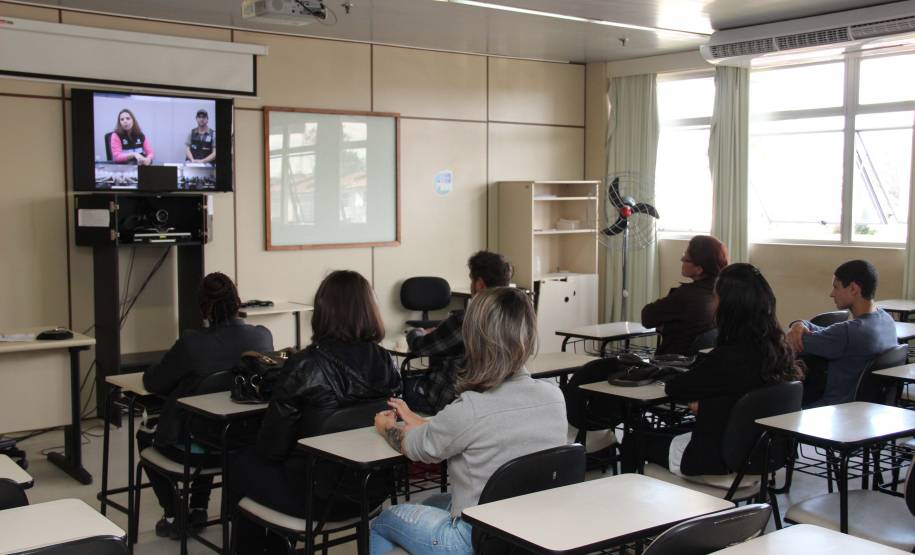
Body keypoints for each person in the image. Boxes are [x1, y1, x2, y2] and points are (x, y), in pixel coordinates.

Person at [370, 287, 567, 555]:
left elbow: (415, 448)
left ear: (474, 341)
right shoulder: (554, 397)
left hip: (472, 540)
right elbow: (483, 431)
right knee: (432, 502)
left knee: (382, 521)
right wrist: (417, 420)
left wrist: (387, 428)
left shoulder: (471, 408)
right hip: (529, 532)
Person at [228, 270, 401, 553]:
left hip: (313, 496)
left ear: (322, 311)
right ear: (369, 309)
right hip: (370, 491)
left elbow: (271, 449)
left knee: (238, 462)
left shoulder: (304, 365)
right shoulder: (385, 360)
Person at [621, 263, 804, 476]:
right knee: (670, 431)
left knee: (634, 440)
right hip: (759, 456)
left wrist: (706, 402)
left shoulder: (728, 357)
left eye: (715, 297)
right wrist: (710, 404)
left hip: (717, 459)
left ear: (729, 307)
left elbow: (676, 388)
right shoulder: (779, 350)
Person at [139, 272, 273, 539]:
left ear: (203, 308)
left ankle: (174, 513)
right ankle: (199, 507)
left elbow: (154, 382)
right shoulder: (262, 338)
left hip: (198, 449)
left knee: (147, 435)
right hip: (243, 444)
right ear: (238, 301)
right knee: (209, 421)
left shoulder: (192, 343)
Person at [561, 235, 728, 444]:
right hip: (694, 373)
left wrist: (666, 324)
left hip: (667, 372)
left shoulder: (686, 296)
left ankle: (613, 433)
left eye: (686, 258)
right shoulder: (722, 295)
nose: (681, 260)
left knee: (601, 369)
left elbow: (647, 316)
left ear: (699, 268)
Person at [403, 250, 512, 414]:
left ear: (479, 284)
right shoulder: (513, 319)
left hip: (451, 403)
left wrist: (416, 332)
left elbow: (420, 347)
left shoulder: (465, 321)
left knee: (405, 386)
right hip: (496, 400)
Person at [786, 259, 897, 407]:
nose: (832, 294)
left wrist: (795, 328)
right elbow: (824, 333)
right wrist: (799, 324)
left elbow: (792, 342)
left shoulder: (848, 333)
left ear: (853, 289)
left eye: (836, 287)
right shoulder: (887, 320)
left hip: (833, 409)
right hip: (867, 409)